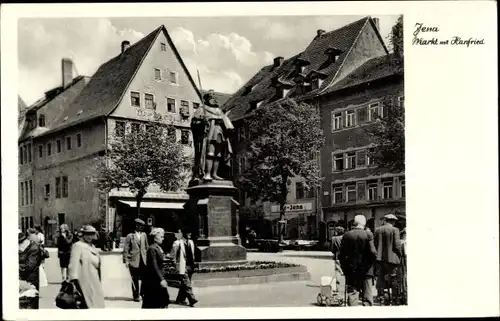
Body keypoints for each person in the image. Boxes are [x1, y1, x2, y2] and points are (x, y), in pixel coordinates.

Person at [191, 89, 234, 182]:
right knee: (210, 153)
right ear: (207, 99)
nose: (213, 99)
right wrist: (202, 121)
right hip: (209, 133)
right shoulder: (201, 109)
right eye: (211, 97)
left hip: (220, 133)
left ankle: (214, 174)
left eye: (214, 97)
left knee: (218, 154)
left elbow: (227, 122)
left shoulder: (219, 110)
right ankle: (207, 174)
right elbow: (194, 122)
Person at [339, 215, 377, 306]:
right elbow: (373, 252)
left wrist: (345, 268)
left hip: (352, 268)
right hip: (367, 269)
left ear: (355, 223)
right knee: (367, 294)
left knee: (352, 292)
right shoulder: (368, 234)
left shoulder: (347, 235)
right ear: (364, 223)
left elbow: (342, 255)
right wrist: (373, 264)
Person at [68, 225, 105, 308]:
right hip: (83, 282)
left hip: (94, 281)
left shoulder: (92, 247)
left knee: (95, 304)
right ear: (83, 234)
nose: (89, 236)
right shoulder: (78, 246)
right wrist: (73, 283)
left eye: (91, 234)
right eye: (87, 234)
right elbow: (72, 265)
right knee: (87, 305)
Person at [374, 214, 402, 305]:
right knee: (393, 278)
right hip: (392, 259)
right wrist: (401, 254)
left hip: (380, 259)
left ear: (385, 220)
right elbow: (397, 245)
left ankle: (381, 297)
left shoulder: (378, 230)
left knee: (380, 277)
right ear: (393, 221)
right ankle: (394, 298)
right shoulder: (395, 230)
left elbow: (375, 244)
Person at [142, 227, 170, 309]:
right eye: (161, 237)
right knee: (154, 303)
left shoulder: (157, 247)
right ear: (155, 237)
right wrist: (161, 279)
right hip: (154, 280)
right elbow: (154, 266)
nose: (163, 239)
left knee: (162, 301)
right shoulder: (152, 249)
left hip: (157, 279)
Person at [123, 218, 149, 302]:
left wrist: (149, 258)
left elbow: (146, 247)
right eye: (139, 225)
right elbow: (126, 249)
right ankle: (136, 296)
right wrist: (126, 260)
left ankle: (143, 293)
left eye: (142, 226)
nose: (141, 227)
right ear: (136, 226)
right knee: (135, 279)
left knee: (144, 279)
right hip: (134, 261)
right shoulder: (130, 236)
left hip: (143, 260)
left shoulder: (144, 235)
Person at [171, 228, 198, 307]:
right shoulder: (177, 243)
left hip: (190, 266)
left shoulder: (191, 242)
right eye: (188, 232)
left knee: (184, 284)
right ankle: (192, 299)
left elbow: (193, 255)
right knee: (187, 283)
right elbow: (173, 256)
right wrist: (176, 265)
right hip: (182, 266)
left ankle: (179, 299)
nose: (190, 234)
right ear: (184, 233)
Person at [19, 229, 46, 309]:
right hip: (26, 280)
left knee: (31, 305)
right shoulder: (28, 247)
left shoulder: (34, 248)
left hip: (31, 280)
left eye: (19, 244)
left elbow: (30, 265)